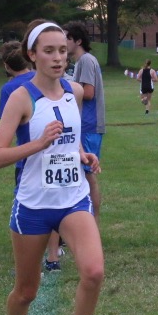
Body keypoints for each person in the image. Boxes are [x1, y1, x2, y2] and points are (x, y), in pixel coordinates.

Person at [0, 20, 104, 315]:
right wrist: (36, 145)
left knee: (94, 272)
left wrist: (83, 154)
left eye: (63, 52)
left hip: (73, 197)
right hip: (33, 205)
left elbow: (70, 141)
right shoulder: (21, 97)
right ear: (33, 55)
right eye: (49, 51)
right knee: (26, 291)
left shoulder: (74, 91)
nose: (58, 58)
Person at [0, 41, 64, 271]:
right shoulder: (47, 80)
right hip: (56, 153)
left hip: (29, 156)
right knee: (55, 202)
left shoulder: (12, 90)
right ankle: (53, 256)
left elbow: (7, 124)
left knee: (26, 202)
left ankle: (30, 252)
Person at [63, 21, 106, 224]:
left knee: (88, 175)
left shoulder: (87, 60)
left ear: (78, 41)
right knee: (79, 175)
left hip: (89, 125)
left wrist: (64, 85)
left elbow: (88, 93)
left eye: (67, 38)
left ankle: (93, 222)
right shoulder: (79, 63)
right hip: (82, 125)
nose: (63, 43)